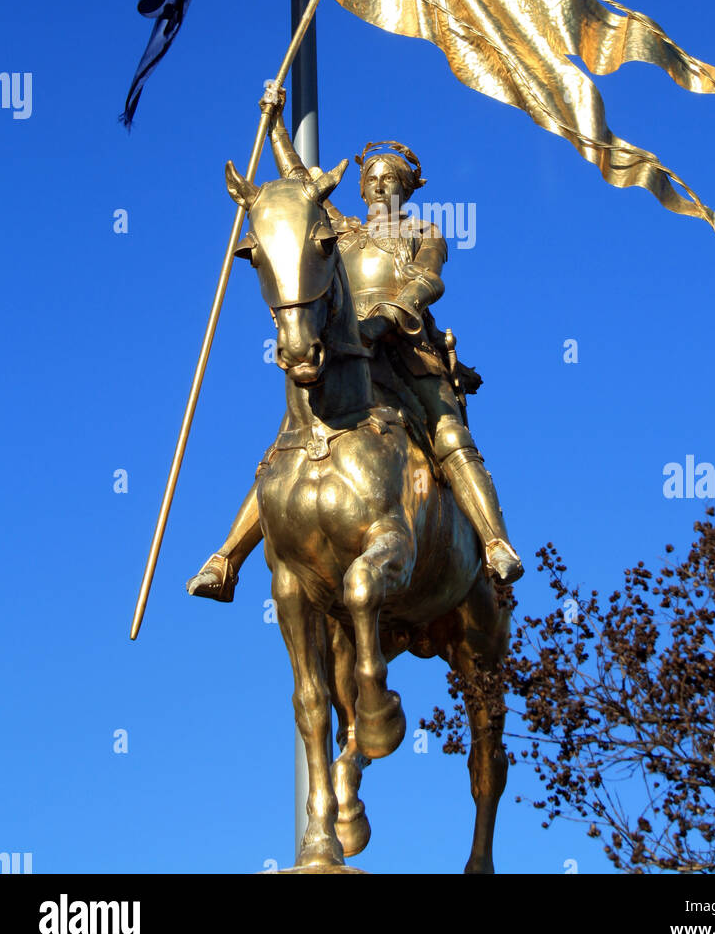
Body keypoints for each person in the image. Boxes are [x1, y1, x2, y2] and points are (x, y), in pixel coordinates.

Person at [187, 83, 523, 602]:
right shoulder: (342, 231)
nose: (380, 185)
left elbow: (427, 281)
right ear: (362, 188)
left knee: (450, 436)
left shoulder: (423, 232)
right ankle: (227, 558)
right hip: (345, 350)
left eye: (392, 179)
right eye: (372, 178)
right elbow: (301, 182)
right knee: (285, 447)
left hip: (404, 351)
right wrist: (274, 120)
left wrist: (386, 315)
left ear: (407, 189)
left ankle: (495, 541)